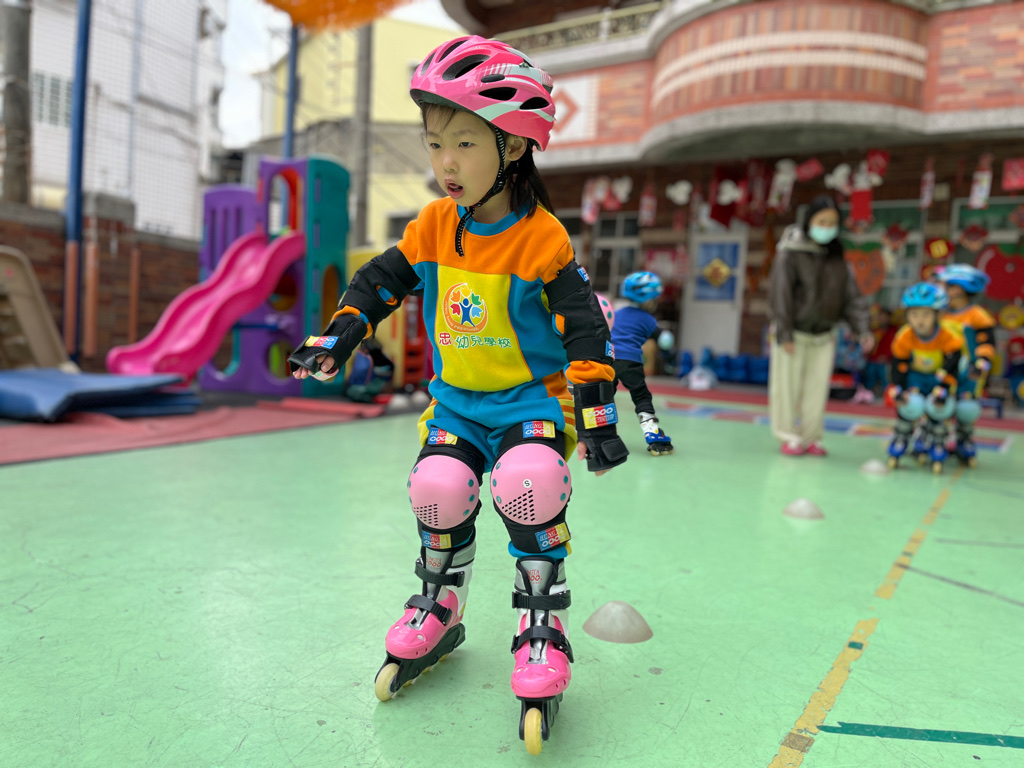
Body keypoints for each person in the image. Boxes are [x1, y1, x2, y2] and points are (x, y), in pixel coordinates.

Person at [287, 36, 627, 755]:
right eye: (436, 142)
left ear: (514, 146)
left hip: (529, 406)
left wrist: (597, 422)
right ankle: (442, 602)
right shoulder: (435, 225)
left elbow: (586, 332)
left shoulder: (542, 239)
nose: (445, 162)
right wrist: (338, 338)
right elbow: (379, 282)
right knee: (437, 488)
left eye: (465, 143)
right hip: (458, 406)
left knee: (528, 484)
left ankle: (542, 623)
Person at [767, 194, 874, 456]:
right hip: (793, 332)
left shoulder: (837, 257)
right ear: (809, 222)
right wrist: (784, 332)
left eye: (832, 223)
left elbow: (851, 297)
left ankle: (811, 436)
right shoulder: (790, 252)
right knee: (786, 387)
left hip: (824, 334)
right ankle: (788, 435)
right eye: (821, 222)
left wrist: (862, 329)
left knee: (817, 389)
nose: (826, 227)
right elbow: (780, 294)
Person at [886, 283, 963, 473]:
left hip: (939, 379)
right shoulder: (904, 336)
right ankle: (902, 436)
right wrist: (899, 390)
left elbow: (953, 368)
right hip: (915, 379)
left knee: (940, 409)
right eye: (914, 315)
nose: (919, 321)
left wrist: (944, 391)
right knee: (910, 406)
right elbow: (898, 367)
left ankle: (938, 440)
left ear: (938, 315)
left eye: (926, 315)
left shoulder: (948, 337)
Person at [934, 264, 995, 467]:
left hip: (968, 371)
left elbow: (987, 343)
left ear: (958, 289)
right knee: (939, 403)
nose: (943, 288)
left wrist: (982, 364)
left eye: (947, 285)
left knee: (966, 408)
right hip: (943, 368)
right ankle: (936, 439)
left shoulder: (977, 315)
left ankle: (964, 440)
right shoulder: (941, 312)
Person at [610, 271, 674, 455]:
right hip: (631, 361)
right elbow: (665, 341)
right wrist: (670, 361)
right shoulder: (648, 320)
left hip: (609, 360)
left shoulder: (616, 314)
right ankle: (652, 434)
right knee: (641, 397)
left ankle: (603, 432)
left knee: (605, 396)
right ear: (650, 300)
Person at [863, 306, 898, 396]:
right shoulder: (873, 330)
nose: (882, 319)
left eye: (885, 317)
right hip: (872, 360)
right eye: (880, 316)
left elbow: (895, 347)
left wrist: (888, 357)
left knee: (885, 376)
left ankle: (887, 394)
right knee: (869, 374)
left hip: (886, 361)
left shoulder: (893, 331)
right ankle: (868, 393)